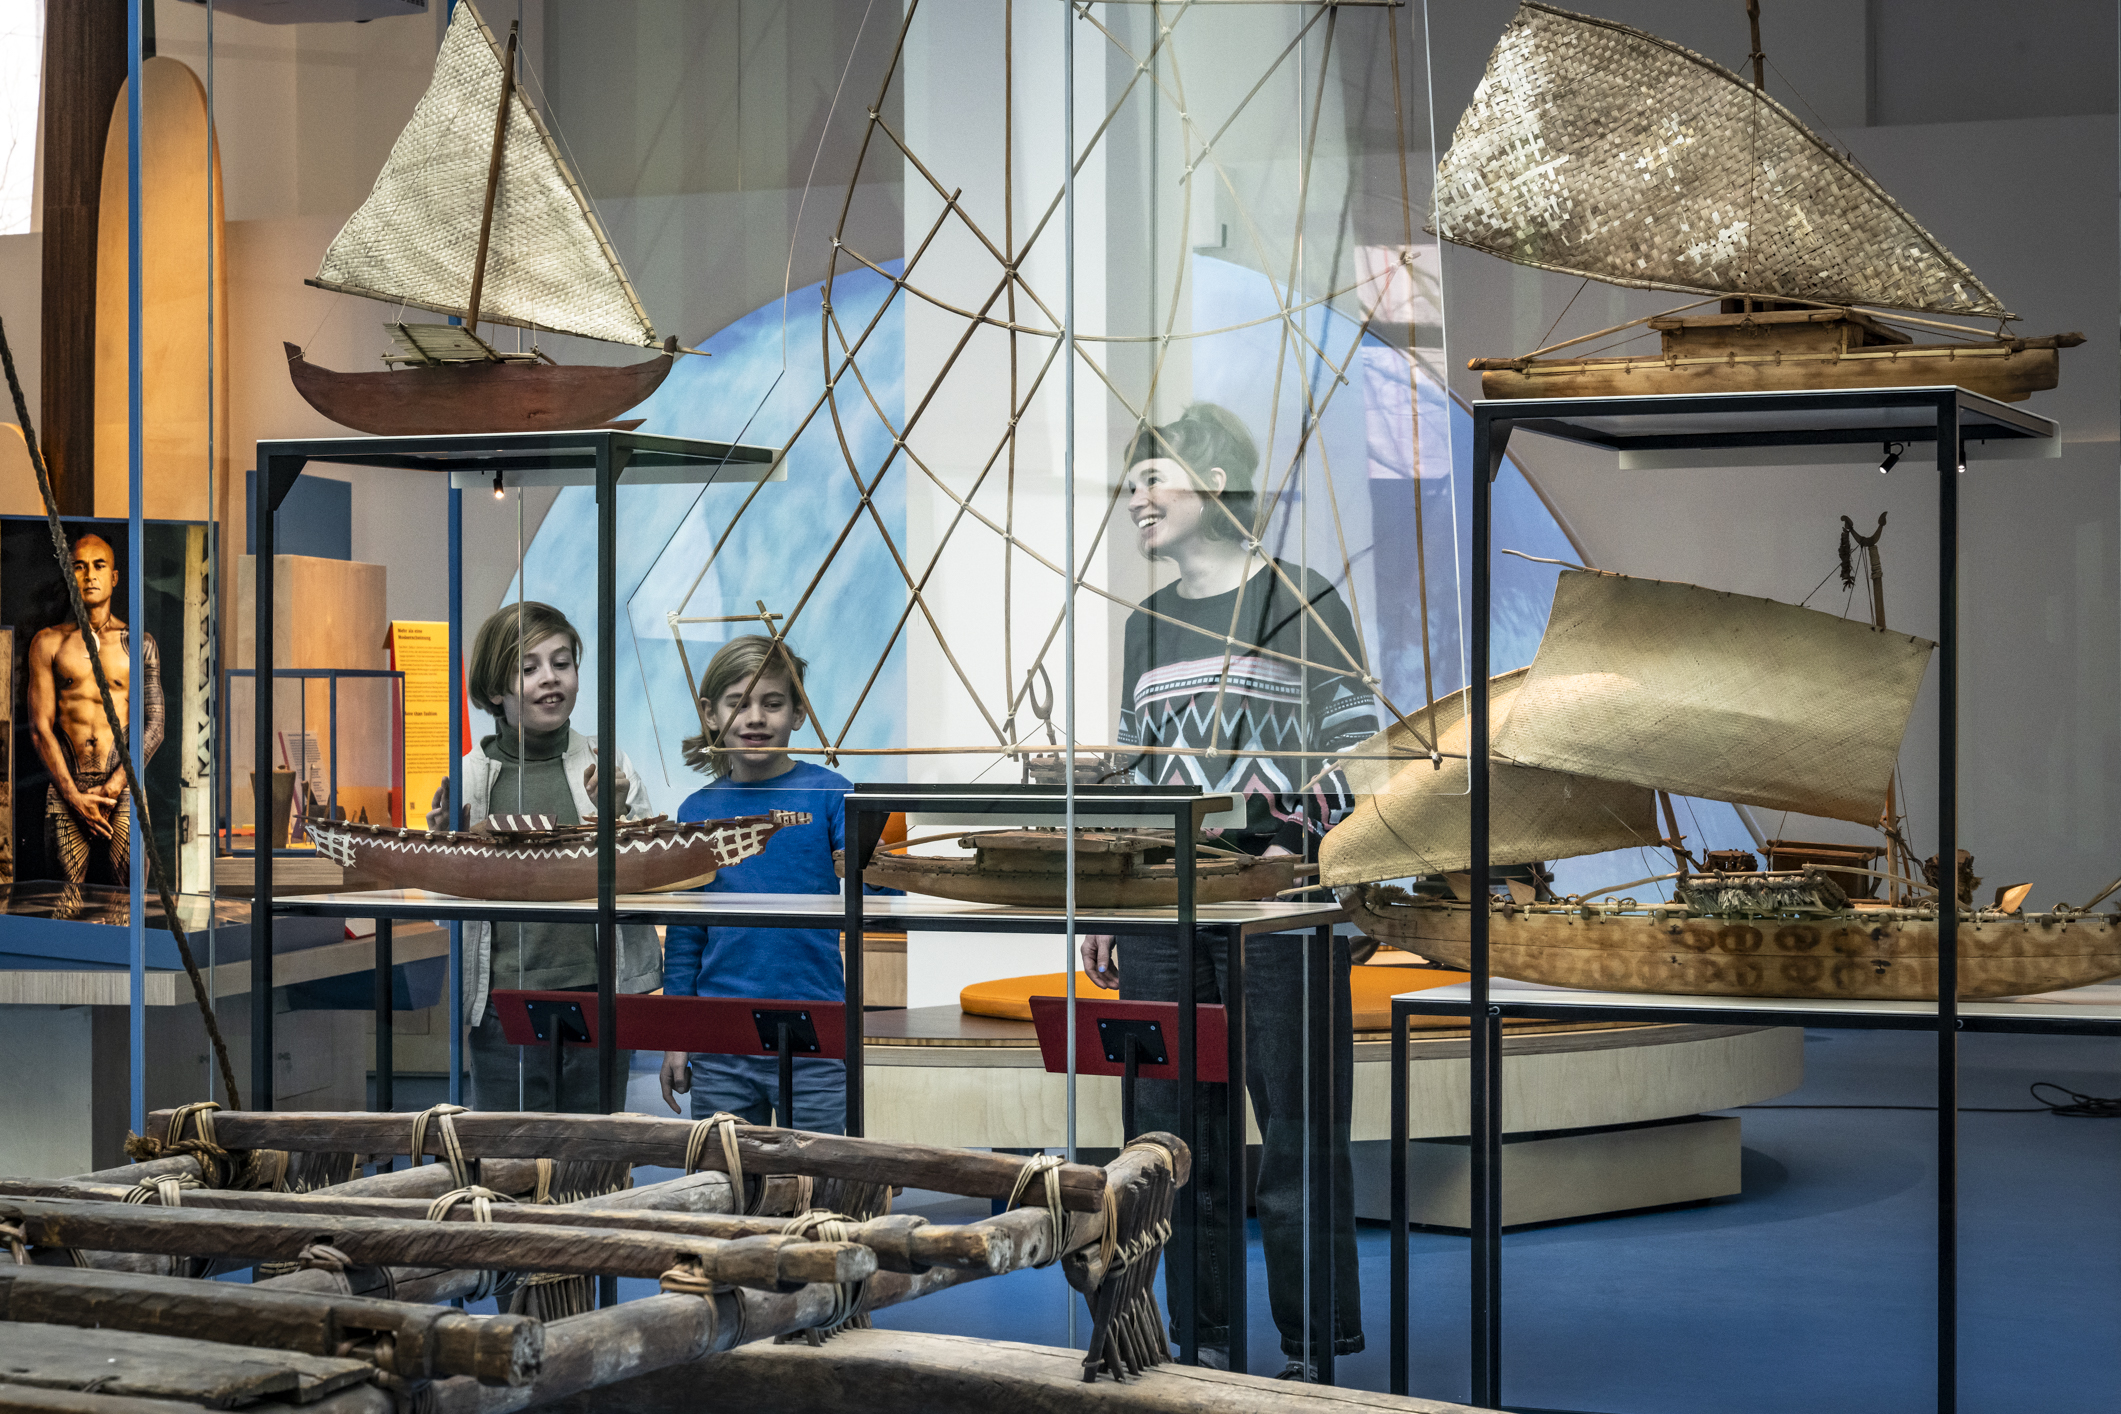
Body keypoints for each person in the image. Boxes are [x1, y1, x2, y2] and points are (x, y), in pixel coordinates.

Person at [1080, 403, 1377, 1379]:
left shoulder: (1300, 597)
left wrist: (1310, 857)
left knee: (1299, 1136)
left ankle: (1312, 1350)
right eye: (1129, 485)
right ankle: (1199, 1341)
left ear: (1213, 482)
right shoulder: (1145, 625)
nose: (1135, 500)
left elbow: (1359, 744)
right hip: (1166, 915)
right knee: (1168, 1141)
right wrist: (1109, 899)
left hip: (1280, 911)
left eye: (1151, 479)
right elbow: (1133, 777)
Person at [431, 600, 660, 1113]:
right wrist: (444, 847)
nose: (550, 678)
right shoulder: (468, 777)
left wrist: (620, 814)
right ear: (495, 688)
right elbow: (444, 902)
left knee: (595, 1149)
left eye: (562, 663)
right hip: (500, 1004)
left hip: (598, 994)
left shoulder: (609, 763)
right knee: (507, 1148)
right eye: (528, 668)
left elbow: (647, 873)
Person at [657, 635, 886, 1135]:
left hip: (815, 1033)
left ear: (799, 713)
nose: (755, 718)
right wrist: (678, 1036)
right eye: (738, 703)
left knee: (824, 1170)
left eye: (773, 703)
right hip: (720, 1039)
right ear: (711, 714)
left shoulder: (832, 795)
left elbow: (880, 893)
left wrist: (881, 860)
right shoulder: (696, 811)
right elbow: (685, 935)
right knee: (726, 1173)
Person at [26, 532, 162, 887]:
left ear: (114, 577)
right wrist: (73, 796)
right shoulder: (48, 643)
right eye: (79, 567)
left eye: (99, 566)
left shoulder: (139, 644)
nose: (89, 575)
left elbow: (155, 724)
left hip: (123, 786)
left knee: (129, 905)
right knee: (63, 905)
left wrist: (115, 786)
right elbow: (40, 728)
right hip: (67, 785)